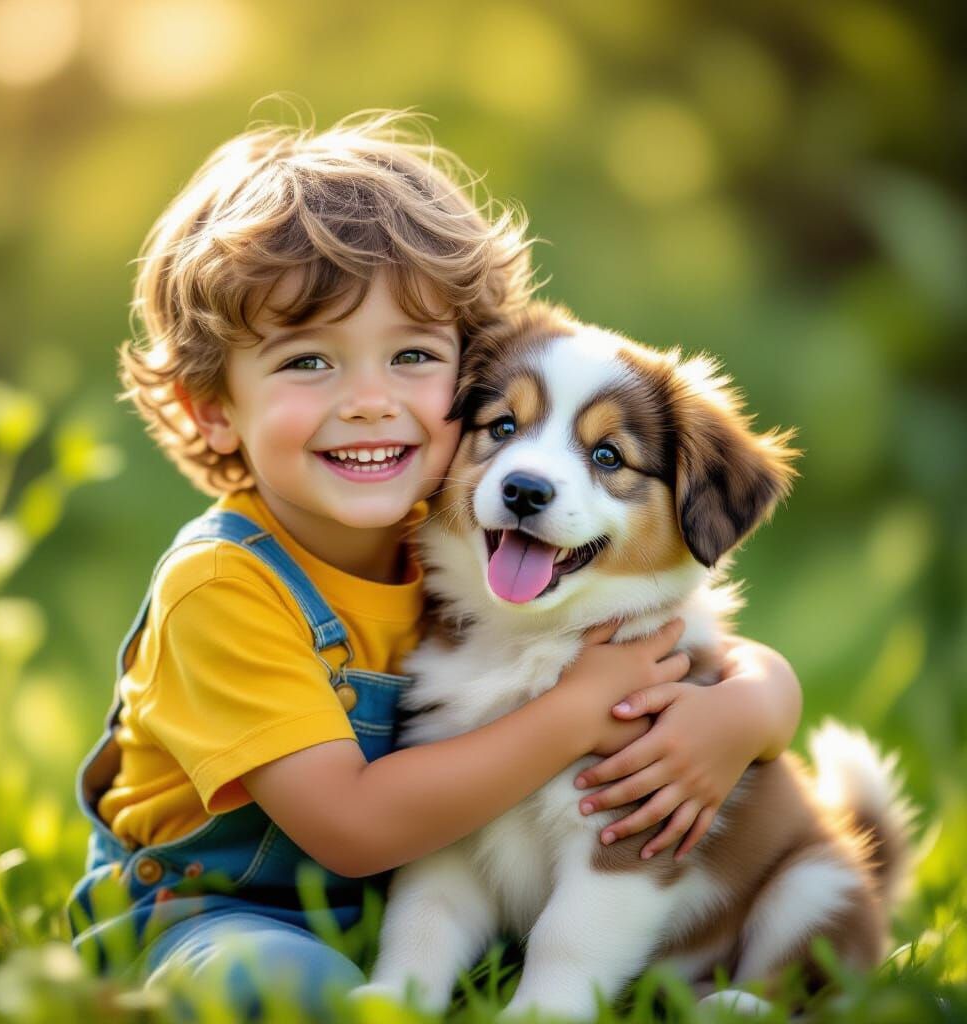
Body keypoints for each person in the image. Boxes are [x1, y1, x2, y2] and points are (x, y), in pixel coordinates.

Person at [66, 110, 802, 1021]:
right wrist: (577, 711)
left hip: (398, 910)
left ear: (462, 375)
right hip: (215, 913)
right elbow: (358, 824)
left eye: (411, 356)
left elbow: (717, 657)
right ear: (215, 408)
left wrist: (756, 705)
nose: (371, 402)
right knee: (290, 990)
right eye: (308, 361)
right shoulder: (224, 588)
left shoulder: (455, 533)